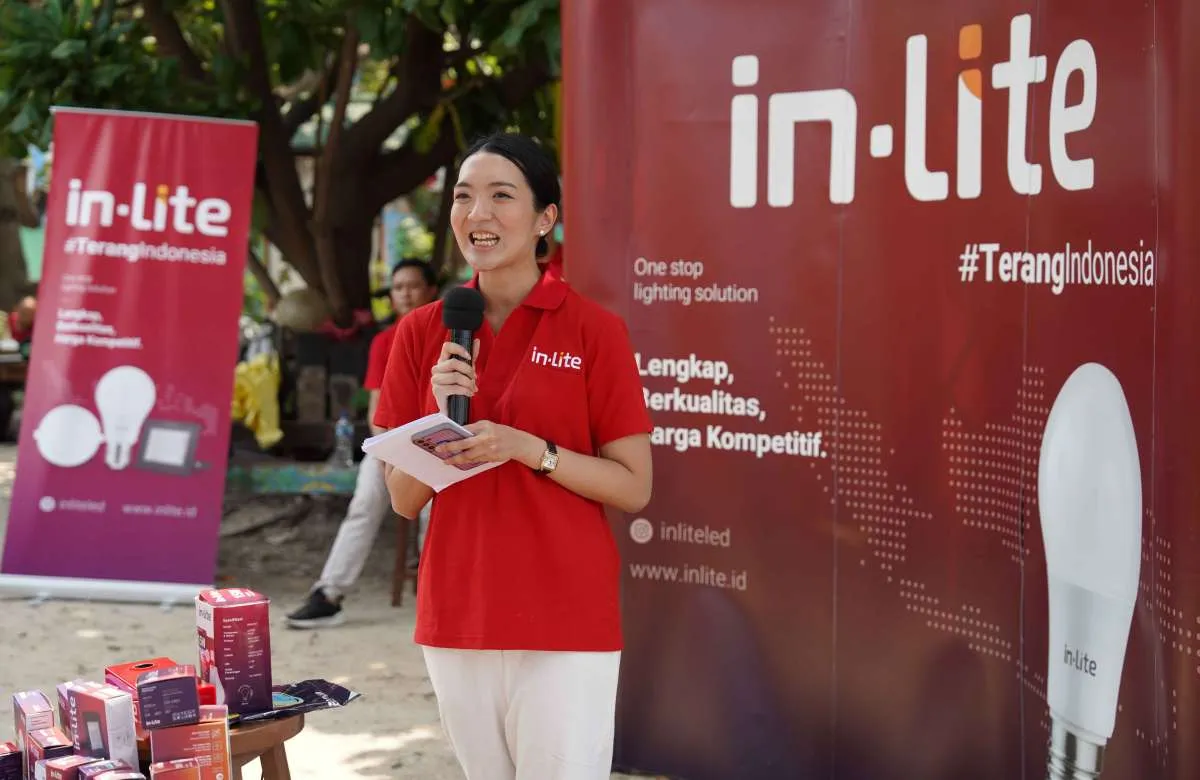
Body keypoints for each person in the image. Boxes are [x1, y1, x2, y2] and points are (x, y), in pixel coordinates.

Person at [374, 132, 653, 779]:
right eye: (465, 196)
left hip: (567, 619)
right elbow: (402, 498)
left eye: (502, 196)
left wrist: (529, 449)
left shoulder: (594, 329)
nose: (478, 214)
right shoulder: (422, 332)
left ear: (545, 219)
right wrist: (440, 418)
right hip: (458, 616)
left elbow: (634, 486)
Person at [286, 259, 439, 629]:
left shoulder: (451, 333)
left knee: (435, 514)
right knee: (364, 503)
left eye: (413, 286)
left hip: (438, 443)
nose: (404, 293)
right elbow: (376, 405)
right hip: (392, 441)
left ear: (431, 291)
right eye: (398, 287)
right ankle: (329, 594)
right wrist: (389, 450)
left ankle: (436, 593)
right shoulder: (385, 341)